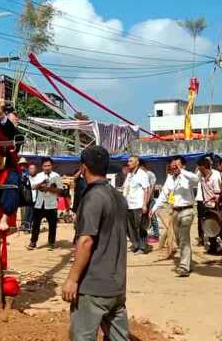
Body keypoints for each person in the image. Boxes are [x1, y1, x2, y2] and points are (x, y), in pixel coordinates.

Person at [62, 146, 129, 340]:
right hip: (116, 284)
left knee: (82, 335)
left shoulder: (93, 198)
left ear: (83, 168)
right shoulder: (118, 197)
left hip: (93, 286)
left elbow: (86, 241)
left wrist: (73, 279)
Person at [150, 156, 199, 277]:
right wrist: (154, 208)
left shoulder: (187, 177)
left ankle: (184, 267)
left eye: (177, 164)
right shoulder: (170, 179)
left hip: (187, 211)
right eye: (173, 165)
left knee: (183, 238)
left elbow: (196, 179)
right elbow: (163, 194)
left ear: (183, 166)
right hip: (175, 211)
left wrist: (181, 171)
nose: (175, 167)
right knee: (179, 239)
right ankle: (187, 263)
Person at [28, 157, 62, 250]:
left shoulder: (57, 176)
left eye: (49, 165)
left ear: (52, 166)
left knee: (52, 225)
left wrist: (49, 189)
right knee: (35, 225)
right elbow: (33, 187)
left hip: (51, 204)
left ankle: (51, 242)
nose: (47, 167)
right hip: (39, 204)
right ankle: (33, 242)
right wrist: (41, 184)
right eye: (45, 166)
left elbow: (60, 190)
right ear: (42, 167)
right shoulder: (38, 176)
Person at [196, 156, 222, 255]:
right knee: (209, 227)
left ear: (203, 167)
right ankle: (213, 248)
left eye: (199, 167)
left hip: (216, 206)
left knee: (220, 228)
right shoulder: (201, 177)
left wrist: (217, 203)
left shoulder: (215, 176)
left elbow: (219, 192)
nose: (198, 169)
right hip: (206, 205)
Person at [123, 156, 151, 255]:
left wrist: (145, 204)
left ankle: (143, 247)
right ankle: (136, 244)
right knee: (129, 227)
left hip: (138, 205)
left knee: (140, 227)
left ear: (137, 162)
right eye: (128, 161)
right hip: (129, 205)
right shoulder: (129, 175)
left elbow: (146, 190)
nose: (128, 163)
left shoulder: (142, 174)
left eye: (131, 161)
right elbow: (125, 189)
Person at [152, 162, 177, 260]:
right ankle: (169, 251)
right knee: (170, 229)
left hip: (166, 207)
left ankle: (162, 246)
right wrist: (172, 205)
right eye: (173, 168)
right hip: (164, 208)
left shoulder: (172, 179)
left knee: (169, 229)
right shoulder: (170, 180)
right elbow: (170, 194)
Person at [141, 161, 159, 242]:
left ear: (143, 166)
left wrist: (148, 199)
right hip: (142, 200)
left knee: (152, 217)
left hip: (150, 200)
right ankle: (144, 235)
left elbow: (152, 187)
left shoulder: (150, 174)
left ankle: (156, 235)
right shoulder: (139, 175)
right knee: (143, 218)